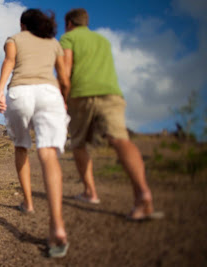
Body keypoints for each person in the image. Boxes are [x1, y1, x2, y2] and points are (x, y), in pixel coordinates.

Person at [60, 8, 163, 221]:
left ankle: (90, 192)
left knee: (78, 144)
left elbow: (66, 68)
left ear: (69, 23)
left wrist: (63, 97)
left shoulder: (68, 38)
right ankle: (142, 192)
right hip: (111, 93)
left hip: (81, 95)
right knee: (120, 140)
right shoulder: (103, 41)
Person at [0, 9, 70, 257]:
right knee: (48, 154)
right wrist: (65, 98)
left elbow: (9, 62)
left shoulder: (14, 39)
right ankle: (57, 225)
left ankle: (28, 202)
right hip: (49, 93)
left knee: (21, 146)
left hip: (21, 92)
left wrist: (0, 91)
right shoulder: (53, 43)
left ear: (23, 25)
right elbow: (64, 76)